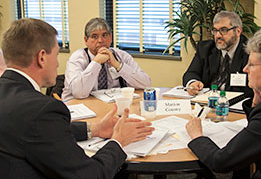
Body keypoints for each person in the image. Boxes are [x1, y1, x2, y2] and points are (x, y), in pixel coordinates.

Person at [0, 18, 154, 179]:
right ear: (42, 58)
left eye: (105, 35)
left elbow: (43, 131)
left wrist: (95, 129)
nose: (58, 65)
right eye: (57, 54)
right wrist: (118, 141)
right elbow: (91, 175)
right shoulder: (42, 110)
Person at [186, 25, 261, 179]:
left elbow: (221, 162)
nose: (245, 69)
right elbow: (260, 136)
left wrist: (197, 136)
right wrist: (255, 103)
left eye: (251, 64)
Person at [62, 17, 151, 101]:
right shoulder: (76, 59)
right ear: (86, 40)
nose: (101, 40)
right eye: (95, 36)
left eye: (104, 35)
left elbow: (145, 84)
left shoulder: (121, 56)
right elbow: (79, 93)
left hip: (111, 105)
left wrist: (118, 65)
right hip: (79, 107)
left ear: (111, 38)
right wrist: (96, 62)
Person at [183, 11, 250, 96]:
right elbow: (191, 73)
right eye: (215, 30)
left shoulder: (250, 51)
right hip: (207, 101)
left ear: (238, 31)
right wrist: (193, 83)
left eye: (223, 30)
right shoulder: (205, 49)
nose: (218, 35)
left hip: (236, 104)